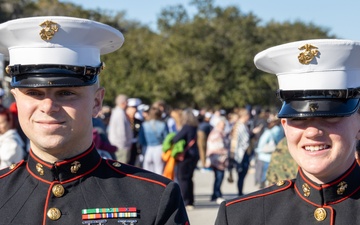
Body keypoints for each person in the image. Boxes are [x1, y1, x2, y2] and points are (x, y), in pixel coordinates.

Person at [0, 16, 189, 224]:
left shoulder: (155, 198)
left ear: (97, 102)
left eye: (65, 93)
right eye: (34, 93)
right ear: (16, 99)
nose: (48, 107)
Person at [215, 39, 360, 224]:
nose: (312, 132)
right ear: (284, 125)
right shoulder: (239, 217)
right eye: (298, 118)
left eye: (330, 116)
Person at [171, 108, 200, 210]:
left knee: (182, 178)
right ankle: (190, 200)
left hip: (186, 156)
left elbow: (176, 138)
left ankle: (185, 201)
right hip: (194, 155)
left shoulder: (186, 127)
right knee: (189, 178)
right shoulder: (194, 127)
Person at [254, 113, 284, 188]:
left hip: (265, 157)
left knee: (265, 178)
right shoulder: (276, 130)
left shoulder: (269, 131)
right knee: (266, 178)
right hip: (267, 157)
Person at [138, 104, 169, 174]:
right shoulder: (163, 124)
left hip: (147, 148)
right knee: (159, 170)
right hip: (159, 148)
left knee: (147, 170)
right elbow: (166, 138)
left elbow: (141, 139)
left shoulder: (144, 125)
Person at [206, 116, 229, 204]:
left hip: (219, 159)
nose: (223, 126)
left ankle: (215, 194)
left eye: (224, 125)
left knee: (218, 177)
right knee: (219, 177)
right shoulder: (216, 133)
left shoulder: (220, 132)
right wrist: (225, 151)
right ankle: (217, 194)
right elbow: (218, 146)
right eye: (222, 124)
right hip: (217, 160)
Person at [108, 94, 133, 163]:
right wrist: (125, 145)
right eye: (127, 102)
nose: (128, 105)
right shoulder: (120, 113)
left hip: (119, 145)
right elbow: (121, 132)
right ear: (123, 103)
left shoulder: (118, 112)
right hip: (121, 146)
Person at [126, 98, 143, 166]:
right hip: (126, 145)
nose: (135, 110)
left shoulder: (138, 121)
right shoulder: (125, 120)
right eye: (132, 108)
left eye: (135, 108)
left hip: (135, 146)